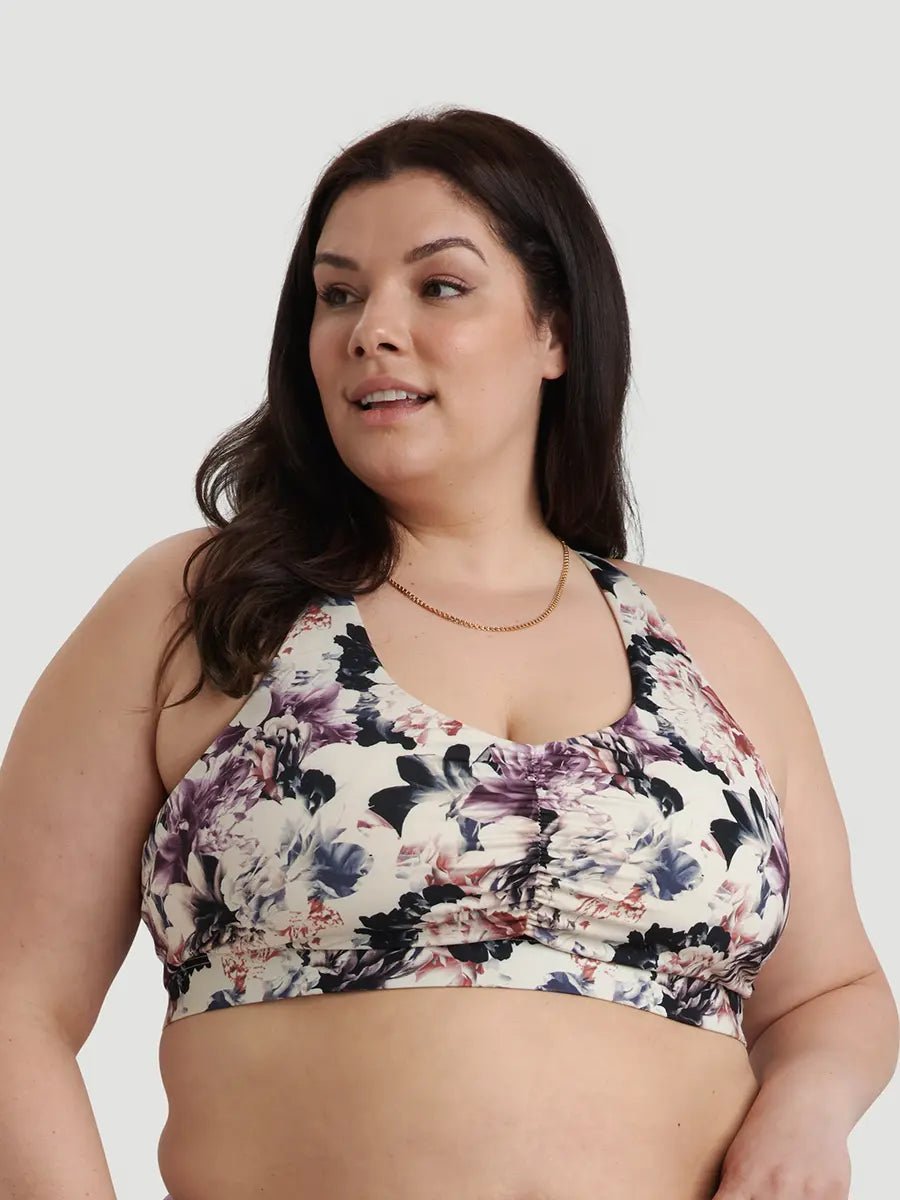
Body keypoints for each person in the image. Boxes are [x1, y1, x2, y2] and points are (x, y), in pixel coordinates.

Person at [0, 106, 896, 1200]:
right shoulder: (205, 607)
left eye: (438, 286)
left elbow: (832, 993)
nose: (372, 328)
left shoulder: (712, 646)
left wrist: (809, 1110)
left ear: (555, 332)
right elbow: (13, 1000)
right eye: (339, 294)